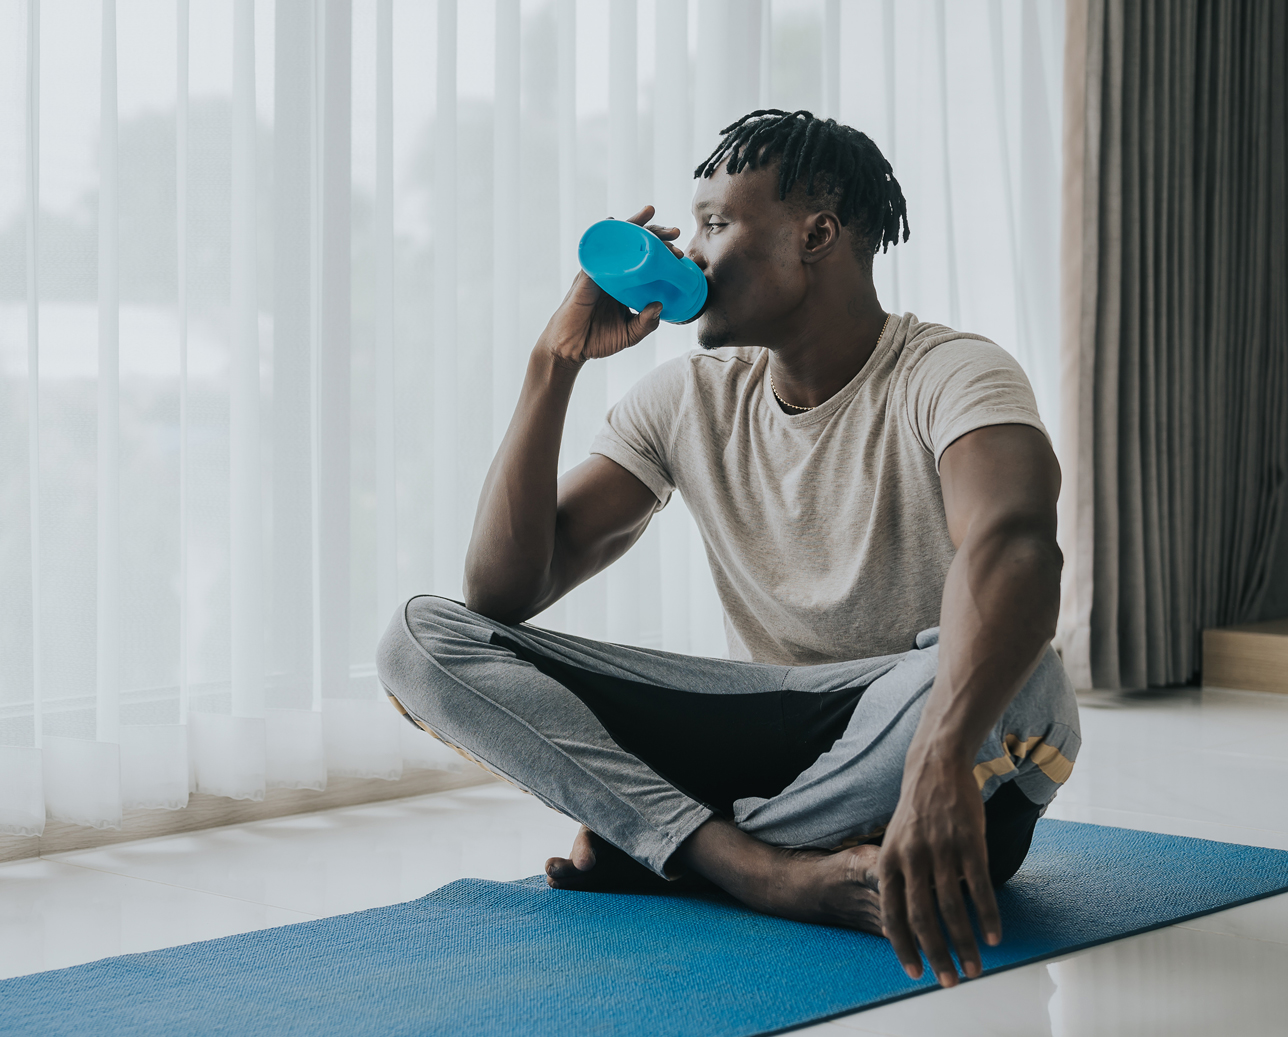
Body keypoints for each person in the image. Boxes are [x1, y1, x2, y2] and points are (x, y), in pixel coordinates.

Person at [375, 110, 1078, 988]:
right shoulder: (687, 399)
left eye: (715, 222)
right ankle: (764, 872)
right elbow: (503, 591)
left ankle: (672, 849)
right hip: (768, 725)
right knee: (417, 636)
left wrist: (938, 755)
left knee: (1027, 674)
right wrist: (553, 362)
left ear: (815, 235)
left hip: (929, 751)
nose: (691, 252)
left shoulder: (954, 373)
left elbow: (1017, 548)